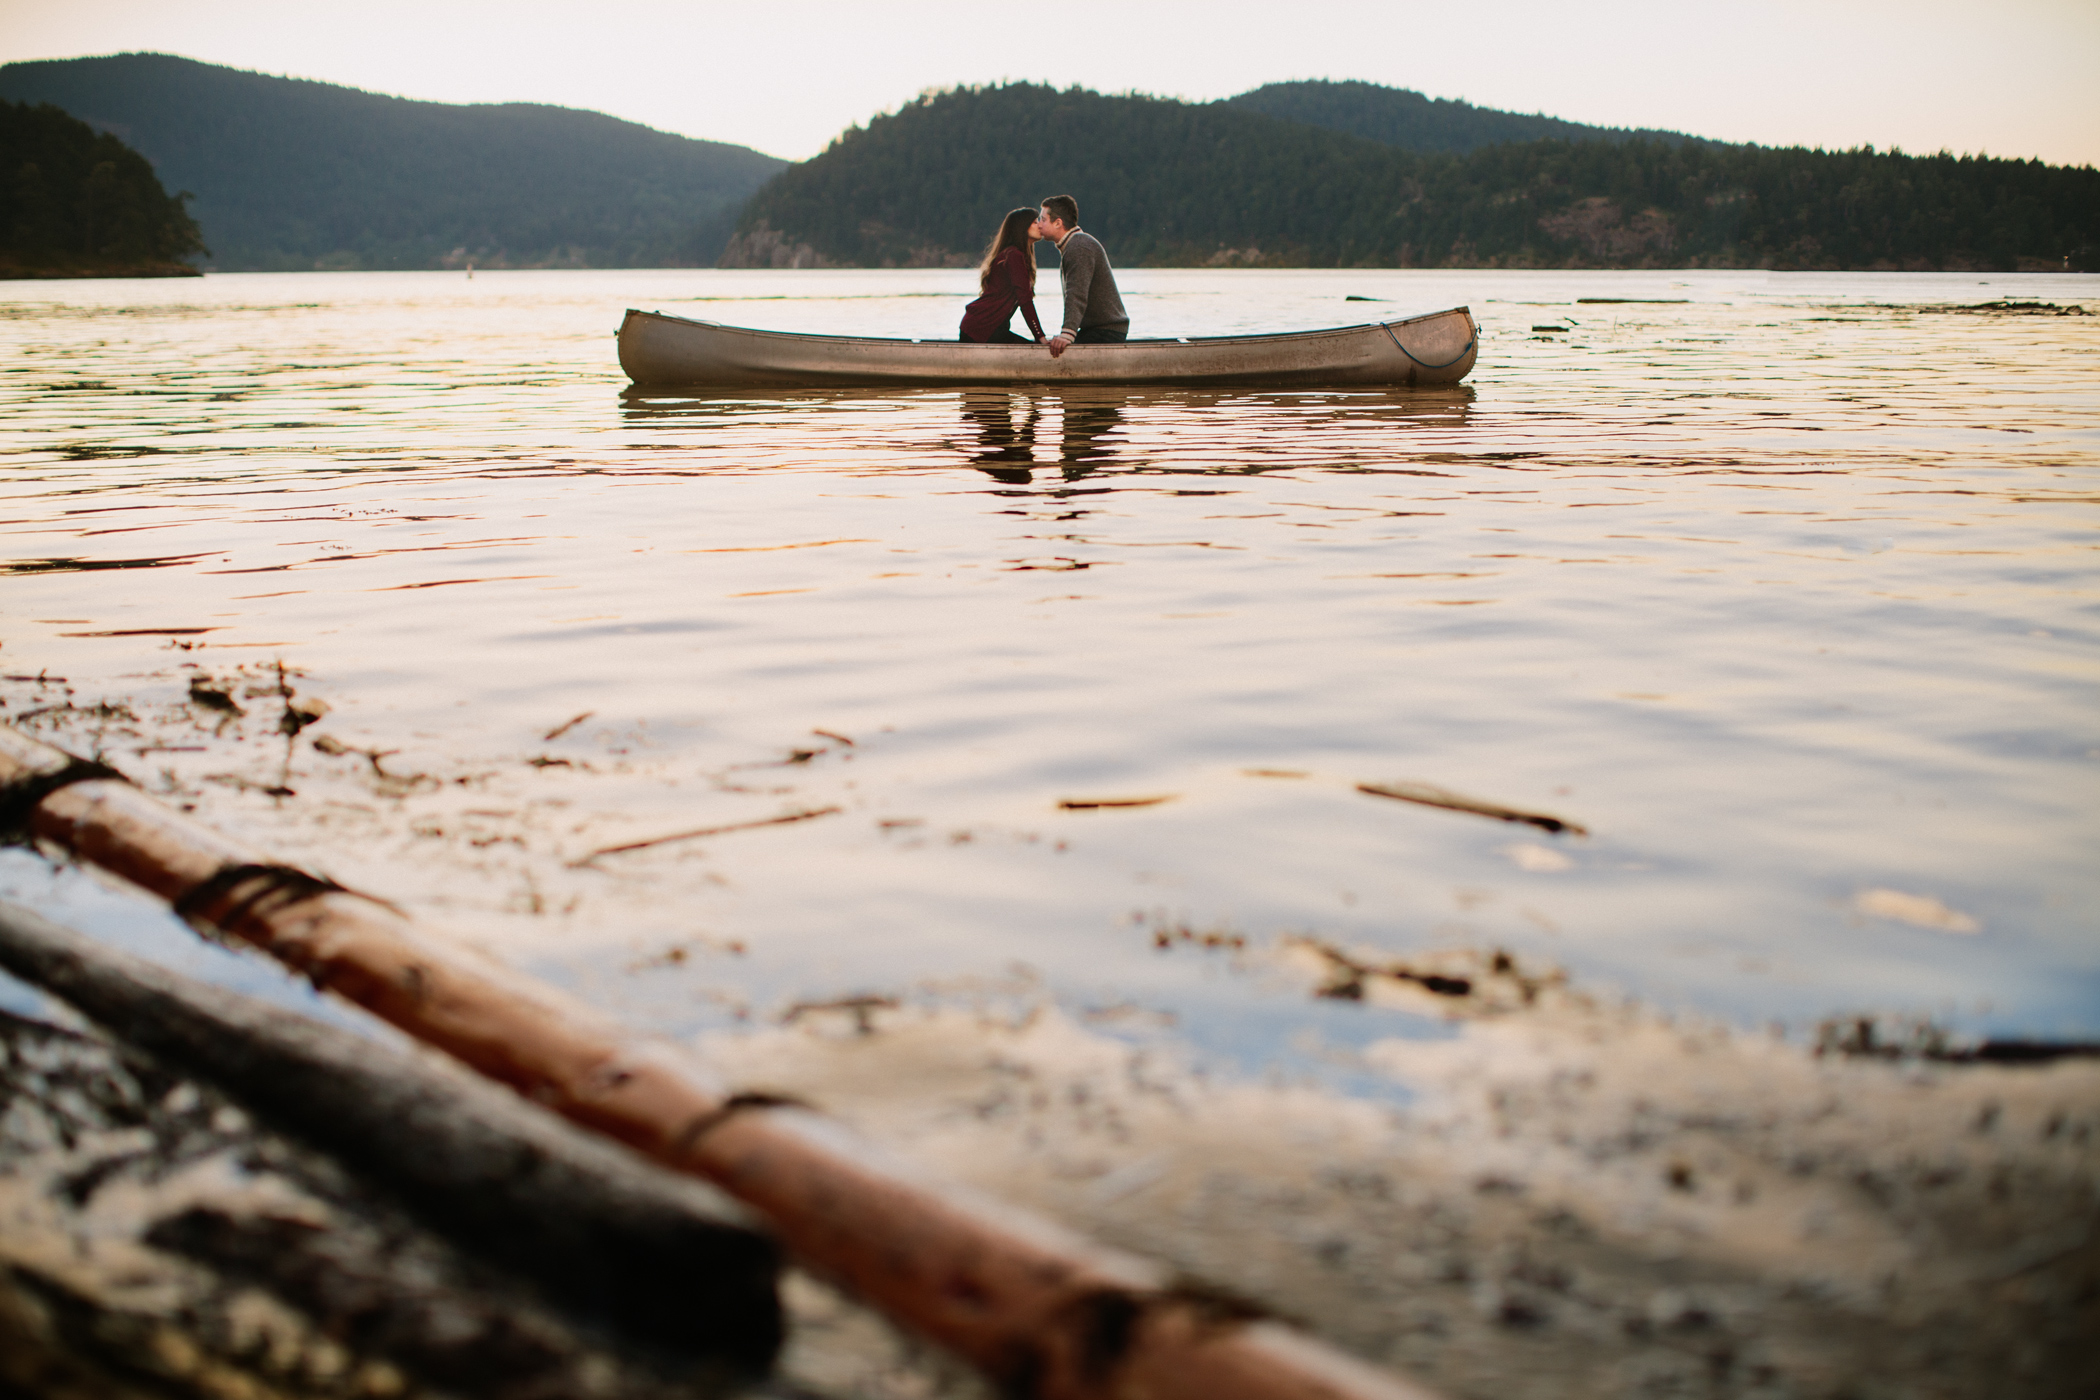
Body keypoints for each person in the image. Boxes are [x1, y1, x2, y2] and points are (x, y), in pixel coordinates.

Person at [1036, 195, 1128, 358]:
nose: (1039, 224)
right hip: (1097, 330)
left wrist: (1067, 334)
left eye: (1042, 219)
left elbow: (1076, 294)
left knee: (1058, 355)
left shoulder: (1078, 247)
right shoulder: (1075, 244)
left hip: (1106, 333)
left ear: (1058, 223)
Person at [958, 208, 1047, 344]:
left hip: (984, 327)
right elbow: (1025, 301)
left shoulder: (1014, 255)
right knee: (1037, 352)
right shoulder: (1013, 256)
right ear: (1022, 227)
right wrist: (1040, 337)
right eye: (1035, 222)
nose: (1040, 225)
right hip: (981, 328)